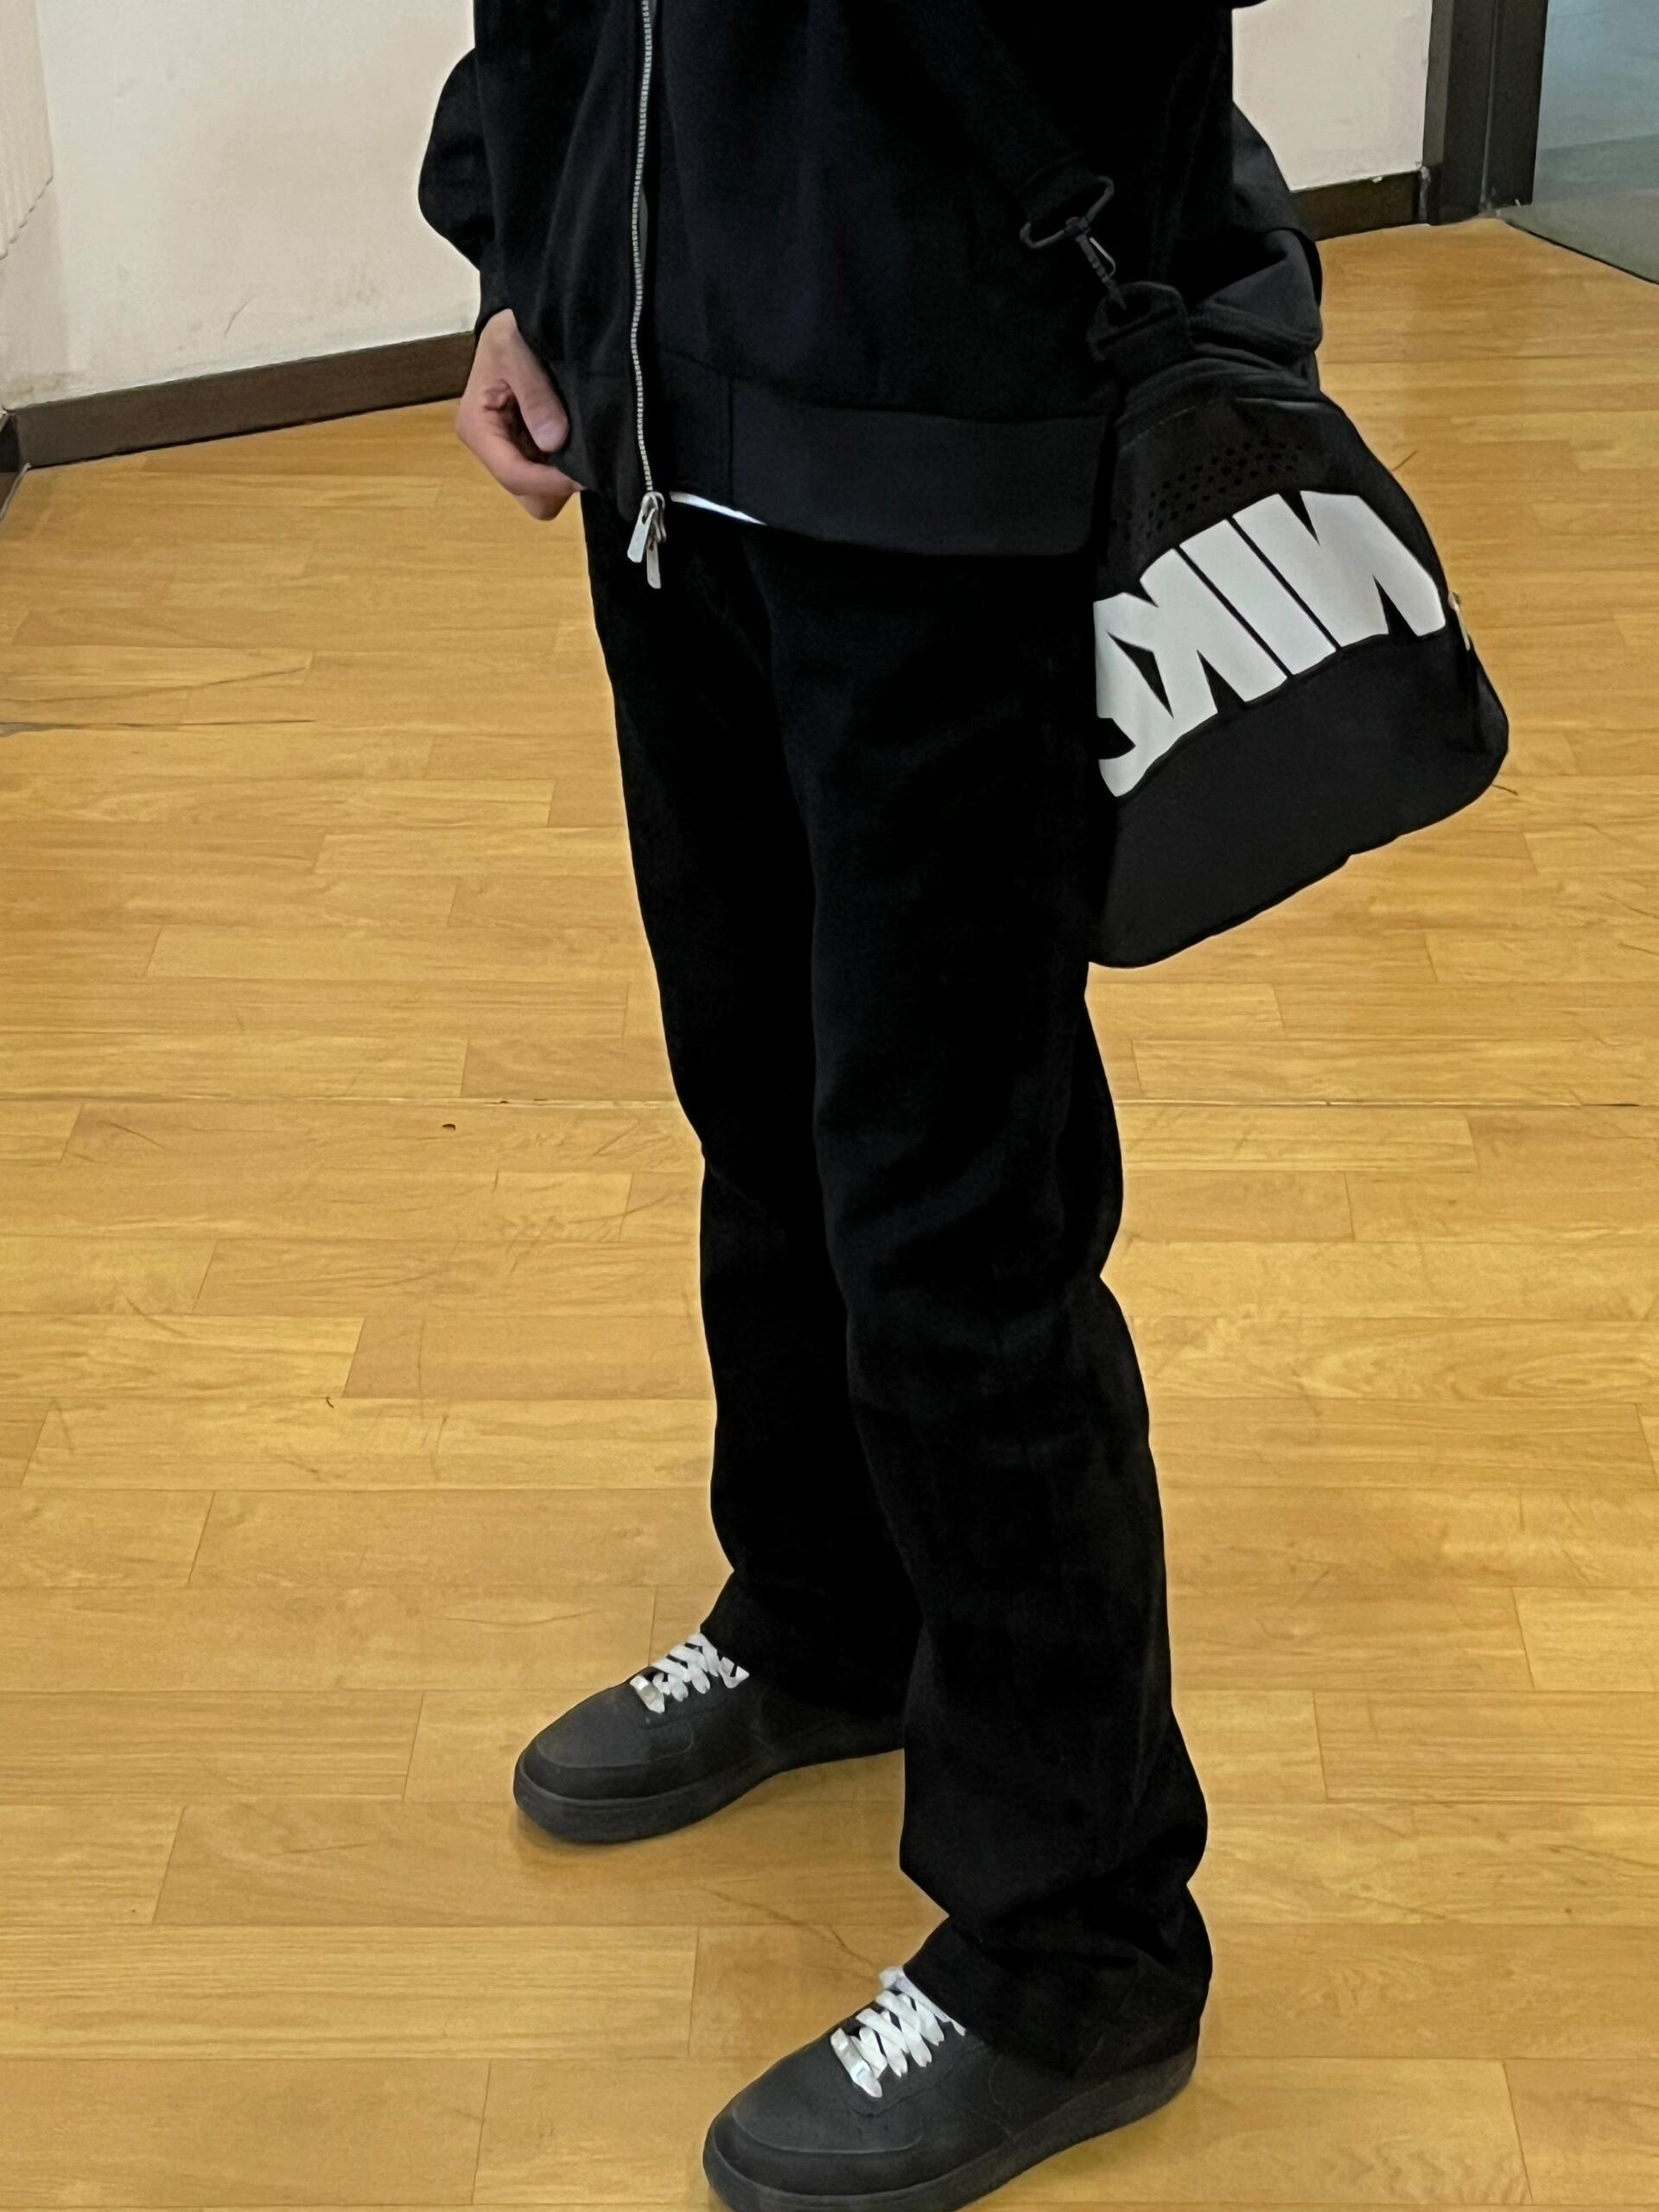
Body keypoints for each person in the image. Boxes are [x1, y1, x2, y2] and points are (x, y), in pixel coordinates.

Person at [420, 9, 1272, 2209]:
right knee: (762, 1099)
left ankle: (1081, 1942)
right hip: (660, 427)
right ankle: (827, 1613)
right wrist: (528, 253)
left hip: (947, 428)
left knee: (952, 1216)